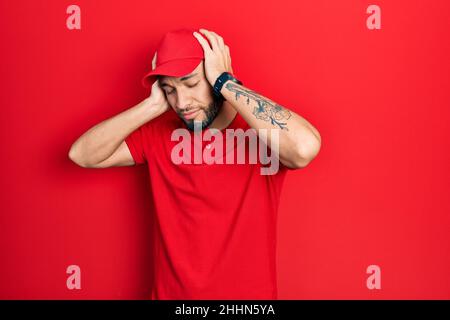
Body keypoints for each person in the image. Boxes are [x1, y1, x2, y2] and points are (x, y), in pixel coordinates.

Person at [68, 27, 321, 299]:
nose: (182, 102)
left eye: (190, 84)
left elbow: (305, 148)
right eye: (170, 90)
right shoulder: (159, 133)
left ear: (216, 77)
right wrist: (152, 106)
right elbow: (82, 155)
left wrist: (227, 83)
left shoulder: (259, 134)